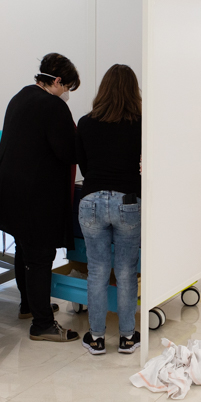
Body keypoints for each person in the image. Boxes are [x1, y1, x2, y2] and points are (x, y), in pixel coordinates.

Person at [0, 53, 81, 342]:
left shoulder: (20, 97)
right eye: (67, 87)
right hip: (34, 195)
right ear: (57, 81)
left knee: (24, 247)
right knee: (40, 255)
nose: (67, 93)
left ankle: (29, 306)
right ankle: (42, 324)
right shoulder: (53, 106)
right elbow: (68, 152)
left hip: (8, 189)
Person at [76, 64, 142, 355]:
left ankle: (96, 337)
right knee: (126, 271)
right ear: (133, 90)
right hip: (128, 201)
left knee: (97, 270)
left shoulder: (85, 123)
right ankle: (127, 337)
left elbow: (83, 165)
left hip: (91, 200)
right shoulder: (141, 124)